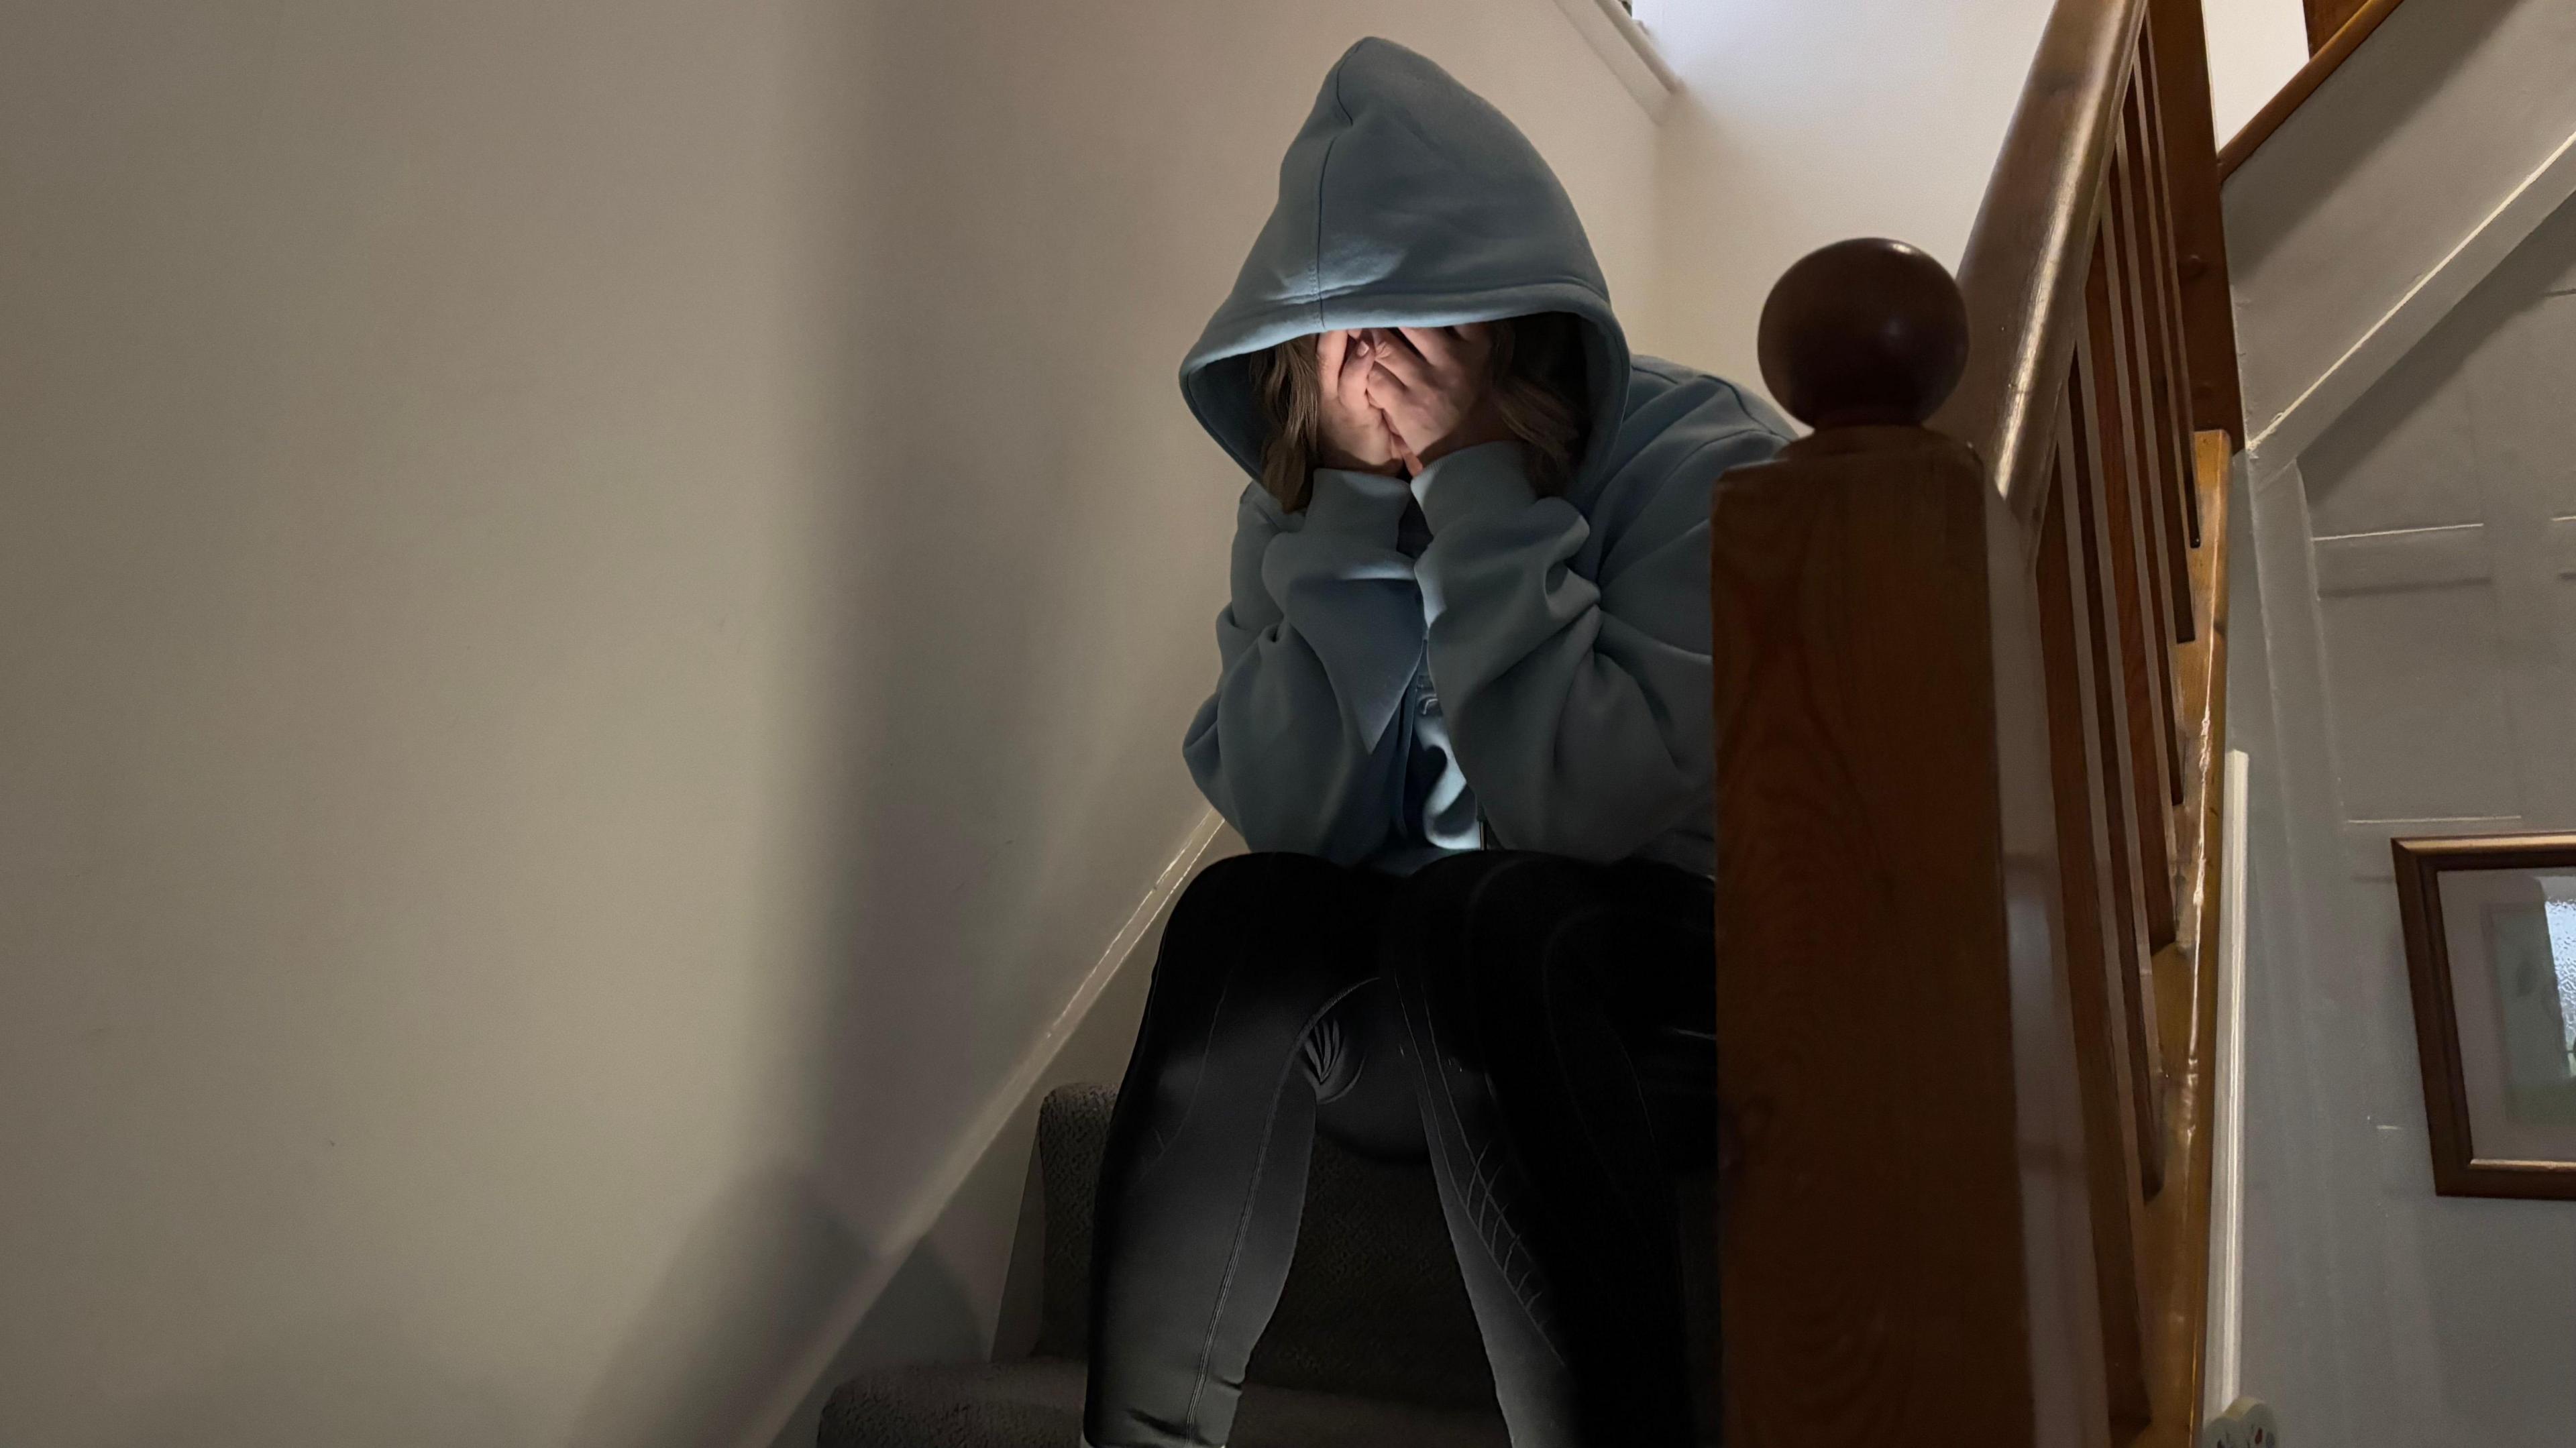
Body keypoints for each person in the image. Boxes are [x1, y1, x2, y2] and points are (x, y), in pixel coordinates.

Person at [1083, 38, 1789, 1448]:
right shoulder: (1306, 502)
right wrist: (1348, 524)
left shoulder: (1699, 459)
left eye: (1415, 331)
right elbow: (1296, 823)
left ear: (1513, 328)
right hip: (1440, 1020)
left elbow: (1582, 806)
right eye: (1339, 342)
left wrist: (1476, 486)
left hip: (1675, 991)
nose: (1374, 377)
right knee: (1244, 908)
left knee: (1491, 907)